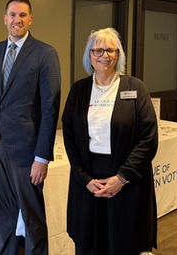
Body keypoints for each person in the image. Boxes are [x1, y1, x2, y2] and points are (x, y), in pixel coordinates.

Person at [0, 0, 61, 254]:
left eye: (23, 15)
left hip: (26, 151)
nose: (17, 20)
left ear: (30, 19)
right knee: (3, 214)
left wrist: (42, 157)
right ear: (5, 19)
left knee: (32, 217)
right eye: (13, 15)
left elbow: (50, 107)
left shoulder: (45, 54)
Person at [62, 27, 158, 255]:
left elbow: (148, 138)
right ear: (89, 55)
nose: (104, 55)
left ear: (118, 54)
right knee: (89, 243)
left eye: (110, 50)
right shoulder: (78, 90)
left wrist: (122, 178)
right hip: (88, 177)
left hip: (126, 178)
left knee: (123, 243)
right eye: (98, 50)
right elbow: (70, 137)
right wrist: (84, 178)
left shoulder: (135, 88)